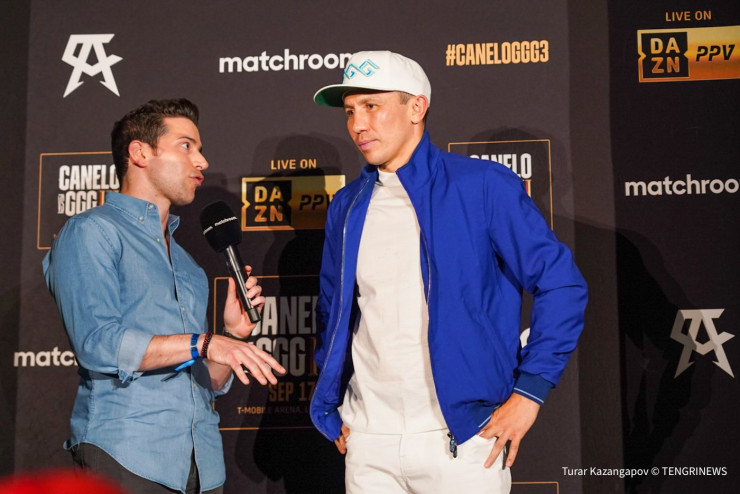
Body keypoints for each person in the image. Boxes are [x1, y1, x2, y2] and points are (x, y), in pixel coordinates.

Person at [309, 51, 588, 493]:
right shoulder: (347, 205)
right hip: (368, 441)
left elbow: (562, 285)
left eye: (372, 106)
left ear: (416, 108)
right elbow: (334, 311)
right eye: (350, 111)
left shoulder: (482, 185)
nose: (358, 124)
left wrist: (529, 393)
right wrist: (331, 406)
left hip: (462, 439)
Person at [43, 99, 286, 494]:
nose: (202, 161)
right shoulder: (92, 231)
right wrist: (205, 342)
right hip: (125, 455)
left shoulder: (189, 265)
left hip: (202, 466)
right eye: (186, 146)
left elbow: (205, 381)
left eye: (200, 149)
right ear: (140, 153)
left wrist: (231, 334)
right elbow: (97, 344)